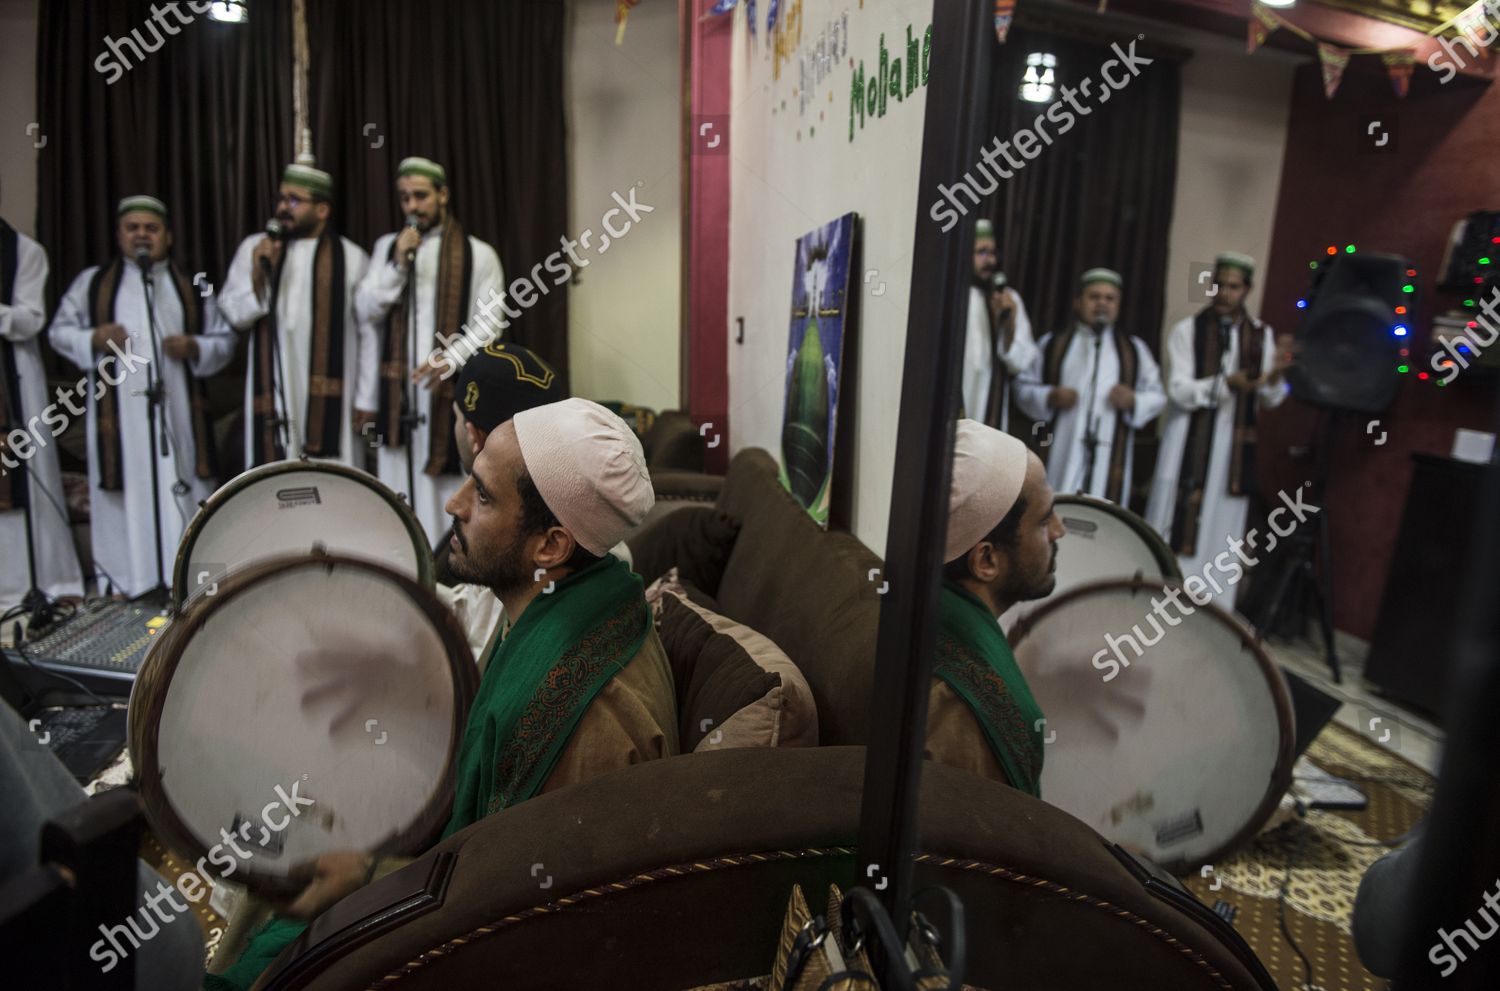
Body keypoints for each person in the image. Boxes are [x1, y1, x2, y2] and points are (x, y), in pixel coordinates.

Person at [207, 398, 678, 991]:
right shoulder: (562, 606)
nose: (454, 505)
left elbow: (523, 910)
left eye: (482, 497)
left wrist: (368, 874)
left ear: (551, 547)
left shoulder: (584, 710)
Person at [48, 197, 235, 596]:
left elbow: (226, 339)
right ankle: (127, 581)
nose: (141, 235)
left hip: (180, 412)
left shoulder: (194, 282)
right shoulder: (93, 283)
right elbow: (58, 333)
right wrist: (92, 338)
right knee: (123, 491)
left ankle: (183, 579)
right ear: (120, 235)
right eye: (132, 228)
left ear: (167, 235)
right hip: (119, 417)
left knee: (183, 485)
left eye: (150, 228)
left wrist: (195, 347)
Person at [355, 156, 505, 542]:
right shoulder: (388, 248)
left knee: (446, 494)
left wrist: (451, 357)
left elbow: (491, 322)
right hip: (397, 399)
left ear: (443, 195)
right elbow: (365, 308)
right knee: (398, 494)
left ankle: (445, 575)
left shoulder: (478, 253)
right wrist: (397, 266)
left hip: (448, 396)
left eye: (420, 196)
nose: (412, 207)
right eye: (405, 198)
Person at [925, 419, 1064, 796]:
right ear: (986, 560)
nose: (1060, 530)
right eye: (1044, 520)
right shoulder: (976, 706)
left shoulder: (923, 605)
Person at [1145, 253, 1292, 600]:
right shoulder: (1187, 331)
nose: (1225, 294)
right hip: (1186, 447)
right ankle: (1157, 604)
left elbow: (1269, 399)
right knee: (1173, 524)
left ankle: (1210, 612)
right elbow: (1179, 390)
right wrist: (1228, 383)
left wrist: (1278, 377)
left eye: (1234, 287)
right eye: (1219, 285)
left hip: (1232, 458)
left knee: (1222, 534)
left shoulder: (1261, 336)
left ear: (1247, 290)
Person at [218, 163, 376, 468]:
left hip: (336, 400)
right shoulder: (255, 249)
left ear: (322, 210)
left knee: (333, 480)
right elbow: (235, 314)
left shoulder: (352, 258)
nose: (282, 208)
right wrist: (259, 274)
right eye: (280, 199)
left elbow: (368, 332)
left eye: (294, 200)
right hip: (274, 392)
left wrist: (366, 398)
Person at [435, 340, 563, 661]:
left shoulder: (510, 540)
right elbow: (473, 612)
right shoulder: (563, 503)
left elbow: (475, 667)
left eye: (483, 496)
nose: (454, 505)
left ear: (474, 436)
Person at [1013, 268, 1165, 505]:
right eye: (1094, 297)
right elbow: (1022, 387)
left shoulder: (1134, 350)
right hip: (1061, 450)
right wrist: (1049, 396)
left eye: (1109, 298)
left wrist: (1134, 401)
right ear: (1077, 302)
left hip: (1109, 454)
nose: (1102, 304)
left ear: (1119, 305)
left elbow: (1157, 396)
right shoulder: (1053, 344)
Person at [0, 209, 83, 608]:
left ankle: (39, 579)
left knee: (24, 473)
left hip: (13, 376)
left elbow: (30, 319)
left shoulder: (25, 251)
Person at [961, 219, 1036, 432]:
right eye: (982, 252)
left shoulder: (1008, 298)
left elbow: (1020, 363)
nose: (991, 260)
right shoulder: (951, 296)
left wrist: (1009, 323)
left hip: (988, 405)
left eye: (993, 252)